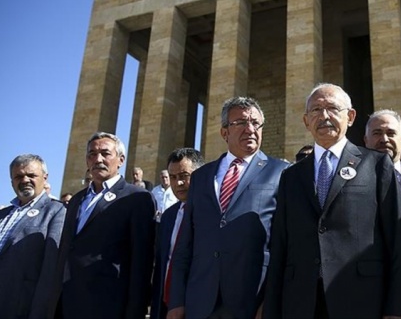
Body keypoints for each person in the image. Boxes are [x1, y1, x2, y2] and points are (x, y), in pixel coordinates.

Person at [264, 83, 401, 319]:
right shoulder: (291, 176)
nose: (324, 116)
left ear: (351, 116)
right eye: (316, 110)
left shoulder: (375, 165)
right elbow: (280, 247)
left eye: (333, 108)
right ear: (306, 121)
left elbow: (399, 240)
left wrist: (398, 308)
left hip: (362, 299)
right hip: (301, 303)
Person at [168, 97, 289, 319]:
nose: (250, 129)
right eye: (241, 122)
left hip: (252, 300)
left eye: (256, 123)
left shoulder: (282, 173)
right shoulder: (201, 177)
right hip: (201, 300)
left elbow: (285, 247)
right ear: (225, 132)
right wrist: (177, 301)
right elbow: (185, 245)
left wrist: (271, 302)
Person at [53, 132, 156, 319]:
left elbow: (142, 260)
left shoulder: (137, 198)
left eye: (105, 153)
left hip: (109, 305)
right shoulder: (77, 199)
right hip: (69, 302)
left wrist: (136, 310)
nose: (98, 159)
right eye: (92, 154)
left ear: (121, 160)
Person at [0, 154, 66, 318]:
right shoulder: (2, 214)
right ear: (11, 181)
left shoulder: (56, 211)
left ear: (45, 178)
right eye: (19, 176)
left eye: (31, 175)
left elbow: (50, 269)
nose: (25, 180)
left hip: (20, 307)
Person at [150, 148, 204, 319]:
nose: (178, 183)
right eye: (173, 177)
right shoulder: (168, 216)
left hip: (196, 304)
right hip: (165, 304)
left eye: (184, 176)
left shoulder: (210, 214)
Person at [364, 109, 401, 185]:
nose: (384, 140)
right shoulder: (355, 177)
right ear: (366, 140)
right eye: (377, 133)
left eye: (391, 134)